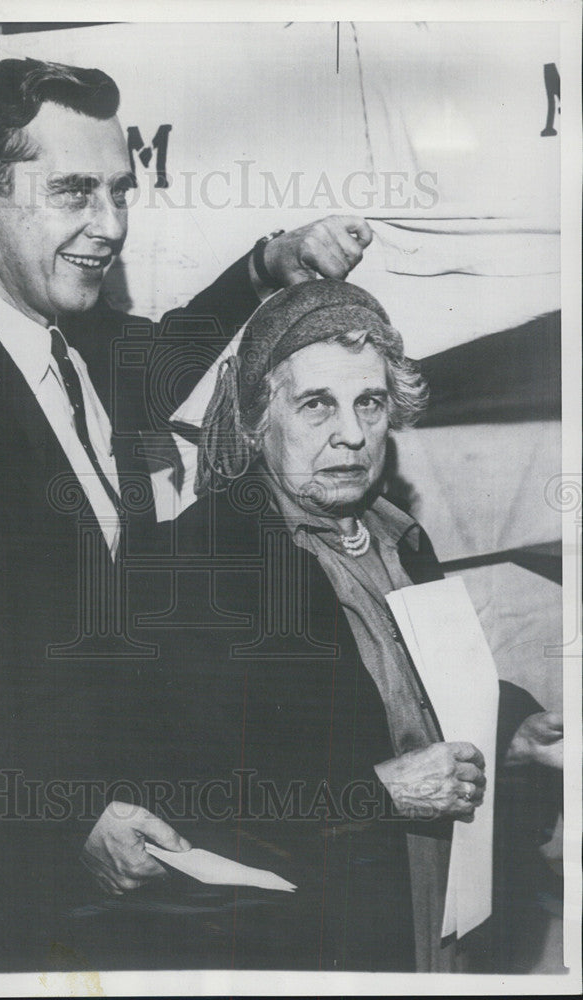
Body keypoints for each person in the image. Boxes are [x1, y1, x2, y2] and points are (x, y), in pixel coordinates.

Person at [0, 58, 372, 975]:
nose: (109, 226)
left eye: (121, 192)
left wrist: (275, 263)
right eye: (74, 192)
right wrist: (66, 822)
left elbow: (169, 350)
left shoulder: (75, 329)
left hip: (132, 833)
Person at [81, 279, 563, 971]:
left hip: (431, 898)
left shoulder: (398, 538)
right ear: (255, 419)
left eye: (369, 402)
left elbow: (413, 698)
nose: (353, 433)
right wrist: (376, 793)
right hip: (307, 935)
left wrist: (511, 729)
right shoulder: (199, 560)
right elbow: (187, 788)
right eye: (317, 405)